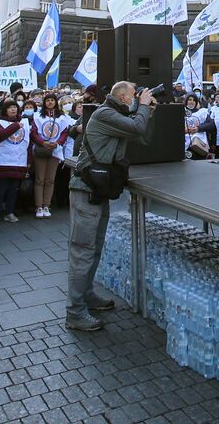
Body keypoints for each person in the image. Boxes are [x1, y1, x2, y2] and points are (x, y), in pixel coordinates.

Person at [67, 82, 154, 331]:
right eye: (134, 95)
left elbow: (143, 135)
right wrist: (144, 107)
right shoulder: (105, 114)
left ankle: (87, 295)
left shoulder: (117, 114)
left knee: (93, 249)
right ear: (123, 96)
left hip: (97, 189)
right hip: (86, 189)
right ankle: (74, 311)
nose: (136, 98)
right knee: (82, 251)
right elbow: (138, 127)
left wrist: (147, 110)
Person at [0, 98, 29, 223]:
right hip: (4, 160)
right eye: (10, 107)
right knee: (1, 188)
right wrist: (16, 125)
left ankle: (9, 212)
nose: (13, 109)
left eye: (15, 107)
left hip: (18, 161)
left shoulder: (24, 122)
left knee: (13, 189)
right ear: (4, 110)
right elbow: (0, 135)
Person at [31, 92, 68, 219]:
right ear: (44, 102)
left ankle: (47, 204)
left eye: (52, 100)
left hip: (55, 150)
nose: (50, 102)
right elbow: (34, 132)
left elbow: (64, 132)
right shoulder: (37, 116)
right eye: (48, 100)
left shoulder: (62, 117)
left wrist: (58, 143)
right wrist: (43, 142)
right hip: (41, 149)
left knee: (50, 180)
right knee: (40, 179)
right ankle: (39, 206)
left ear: (56, 102)